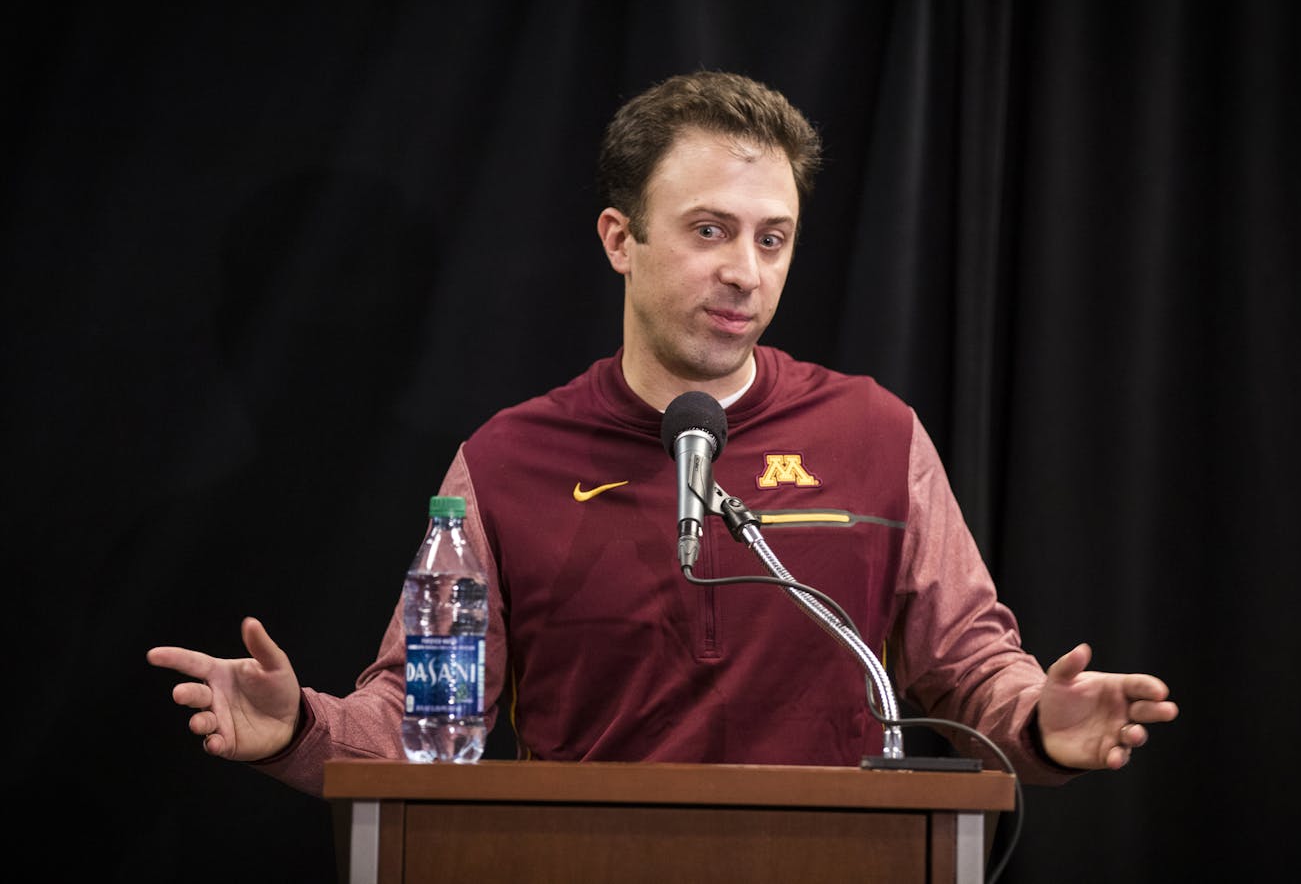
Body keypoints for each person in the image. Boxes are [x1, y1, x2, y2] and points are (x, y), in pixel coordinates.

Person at [149, 70, 1178, 797]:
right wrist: (298, 729)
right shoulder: (502, 464)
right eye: (708, 230)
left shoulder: (877, 433)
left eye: (772, 238)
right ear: (619, 239)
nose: (746, 270)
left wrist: (1039, 721)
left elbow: (968, 664)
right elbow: (429, 728)